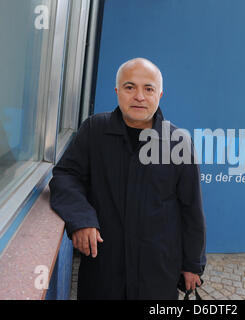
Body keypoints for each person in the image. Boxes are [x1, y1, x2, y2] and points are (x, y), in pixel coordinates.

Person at [49, 58, 206, 300]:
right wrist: (81, 218)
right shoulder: (94, 130)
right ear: (117, 91)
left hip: (157, 274)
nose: (139, 96)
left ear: (160, 94)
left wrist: (193, 265)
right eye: (130, 87)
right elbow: (65, 176)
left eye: (148, 89)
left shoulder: (178, 143)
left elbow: (191, 210)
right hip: (104, 271)